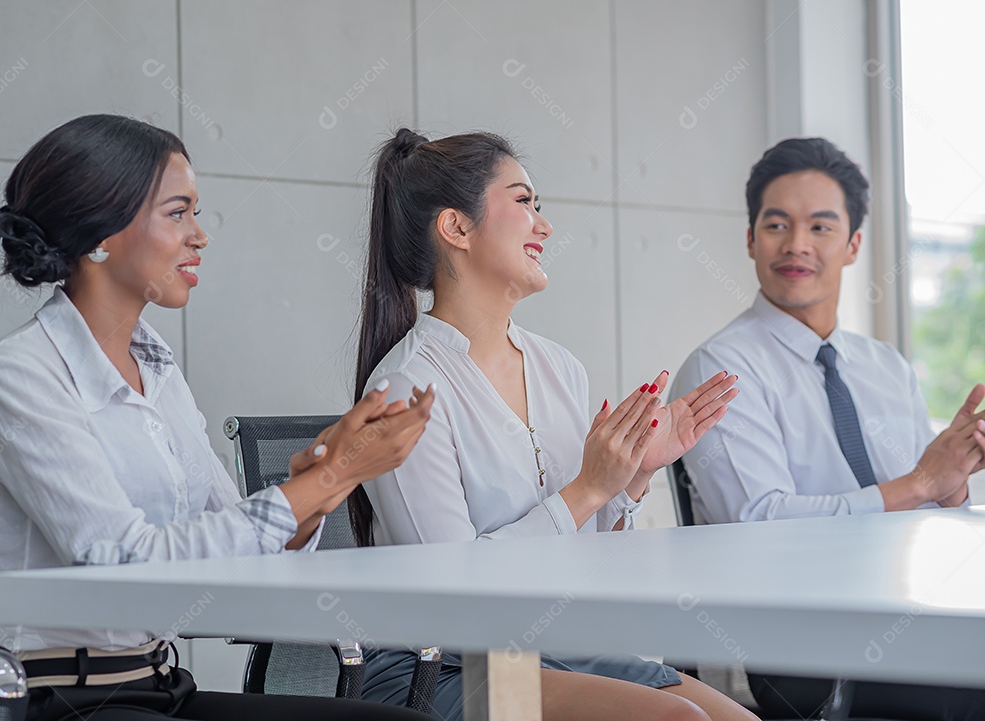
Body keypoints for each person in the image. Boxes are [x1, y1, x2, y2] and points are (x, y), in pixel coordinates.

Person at [0, 114, 434, 721]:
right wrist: (325, 480)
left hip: (154, 686)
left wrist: (320, 482)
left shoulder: (157, 367)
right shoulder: (17, 377)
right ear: (100, 231)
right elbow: (120, 565)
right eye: (177, 213)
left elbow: (226, 549)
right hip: (46, 697)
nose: (200, 235)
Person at [349, 128, 752, 721]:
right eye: (523, 202)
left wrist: (631, 478)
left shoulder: (559, 367)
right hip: (448, 668)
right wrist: (587, 488)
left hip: (561, 650)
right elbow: (457, 599)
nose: (544, 225)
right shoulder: (402, 391)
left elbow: (590, 563)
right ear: (456, 228)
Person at [672, 137, 985, 720]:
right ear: (749, 239)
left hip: (917, 610)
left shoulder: (887, 367)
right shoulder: (721, 369)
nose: (796, 246)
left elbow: (933, 514)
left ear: (853, 245)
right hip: (807, 644)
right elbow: (757, 522)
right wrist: (919, 483)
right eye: (776, 225)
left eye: (820, 227)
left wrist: (954, 484)